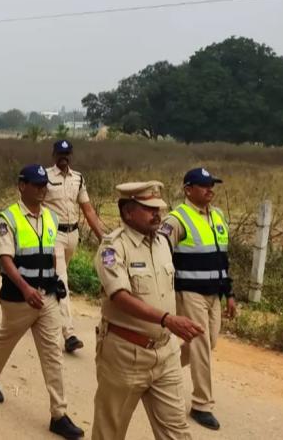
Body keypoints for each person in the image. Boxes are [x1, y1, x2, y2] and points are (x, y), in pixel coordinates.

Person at [92, 181, 205, 440]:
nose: (157, 214)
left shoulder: (163, 242)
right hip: (126, 354)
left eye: (159, 208)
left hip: (165, 352)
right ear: (128, 211)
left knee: (177, 432)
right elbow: (120, 297)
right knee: (110, 430)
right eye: (149, 209)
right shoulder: (113, 248)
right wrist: (167, 319)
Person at [0, 164, 84, 440]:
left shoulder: (51, 217)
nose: (42, 190)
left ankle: (59, 415)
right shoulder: (8, 218)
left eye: (44, 185)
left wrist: (56, 282)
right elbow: (5, 259)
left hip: (46, 297)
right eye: (37, 185)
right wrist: (26, 289)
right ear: (21, 185)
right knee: (5, 342)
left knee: (53, 355)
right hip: (18, 298)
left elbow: (52, 253)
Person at [159, 168, 236, 431]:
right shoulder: (176, 219)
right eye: (204, 185)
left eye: (212, 185)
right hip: (189, 291)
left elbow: (222, 258)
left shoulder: (217, 216)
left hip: (214, 293)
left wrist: (229, 294)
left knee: (207, 342)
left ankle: (160, 366)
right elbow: (160, 253)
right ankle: (202, 404)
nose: (210, 190)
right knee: (200, 343)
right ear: (188, 189)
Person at [44, 139, 107, 354]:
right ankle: (69, 334)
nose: (64, 158)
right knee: (62, 280)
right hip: (53, 235)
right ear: (54, 155)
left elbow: (88, 210)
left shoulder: (78, 178)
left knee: (55, 281)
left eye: (67, 154)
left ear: (71, 155)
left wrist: (102, 237)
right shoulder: (45, 177)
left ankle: (41, 311)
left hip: (72, 235)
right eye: (60, 154)